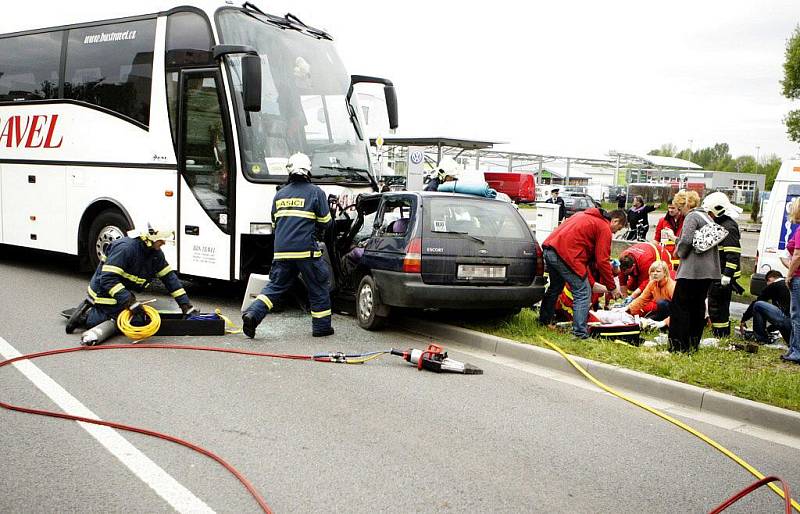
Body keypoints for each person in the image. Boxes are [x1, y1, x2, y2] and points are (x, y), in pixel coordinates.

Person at [242, 153, 334, 338]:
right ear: (308, 170)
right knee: (318, 286)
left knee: (275, 287)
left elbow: (276, 224)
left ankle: (252, 314)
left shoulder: (280, 194)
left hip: (282, 251)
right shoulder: (316, 192)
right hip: (305, 251)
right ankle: (321, 327)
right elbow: (326, 222)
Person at [64, 224, 197, 337]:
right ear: (149, 238)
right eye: (161, 240)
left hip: (121, 292)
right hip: (103, 293)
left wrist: (185, 306)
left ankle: (103, 312)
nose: (163, 243)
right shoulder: (125, 249)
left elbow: (170, 279)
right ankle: (86, 315)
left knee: (139, 319)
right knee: (114, 321)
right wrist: (130, 302)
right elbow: (108, 279)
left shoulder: (155, 254)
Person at [539, 208, 627, 338]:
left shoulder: (583, 215)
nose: (615, 233)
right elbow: (602, 261)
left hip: (550, 249)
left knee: (555, 287)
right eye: (618, 229)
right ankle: (579, 333)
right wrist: (612, 288)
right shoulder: (604, 227)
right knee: (583, 292)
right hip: (566, 255)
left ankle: (543, 321)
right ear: (615, 220)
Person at [668, 190, 720, 352]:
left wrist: (678, 251)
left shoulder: (691, 216)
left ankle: (678, 345)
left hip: (692, 271)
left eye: (679, 206)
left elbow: (687, 240)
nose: (679, 210)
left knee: (681, 307)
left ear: (685, 204)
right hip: (708, 272)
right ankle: (693, 344)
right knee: (697, 308)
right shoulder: (707, 217)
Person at [703, 192, 744, 337]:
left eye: (709, 212)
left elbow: (733, 254)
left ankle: (720, 334)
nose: (708, 216)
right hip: (718, 273)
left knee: (717, 305)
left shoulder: (728, 227)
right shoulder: (721, 224)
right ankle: (721, 332)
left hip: (722, 275)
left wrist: (727, 275)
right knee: (717, 305)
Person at [740, 270, 790, 345]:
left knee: (758, 305)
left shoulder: (775, 285)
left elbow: (756, 302)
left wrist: (743, 319)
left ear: (770, 279)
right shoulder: (790, 284)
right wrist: (769, 329)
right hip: (794, 328)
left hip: (787, 322)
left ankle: (761, 338)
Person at [781, 198, 800, 363]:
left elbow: (797, 255)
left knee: (796, 316)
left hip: (798, 277)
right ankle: (793, 349)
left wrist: (789, 274)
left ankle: (797, 351)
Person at [654, 201, 684, 268]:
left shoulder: (686, 220)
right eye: (669, 208)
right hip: (666, 258)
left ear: (679, 208)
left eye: (673, 208)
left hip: (681, 257)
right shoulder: (662, 221)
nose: (670, 210)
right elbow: (656, 240)